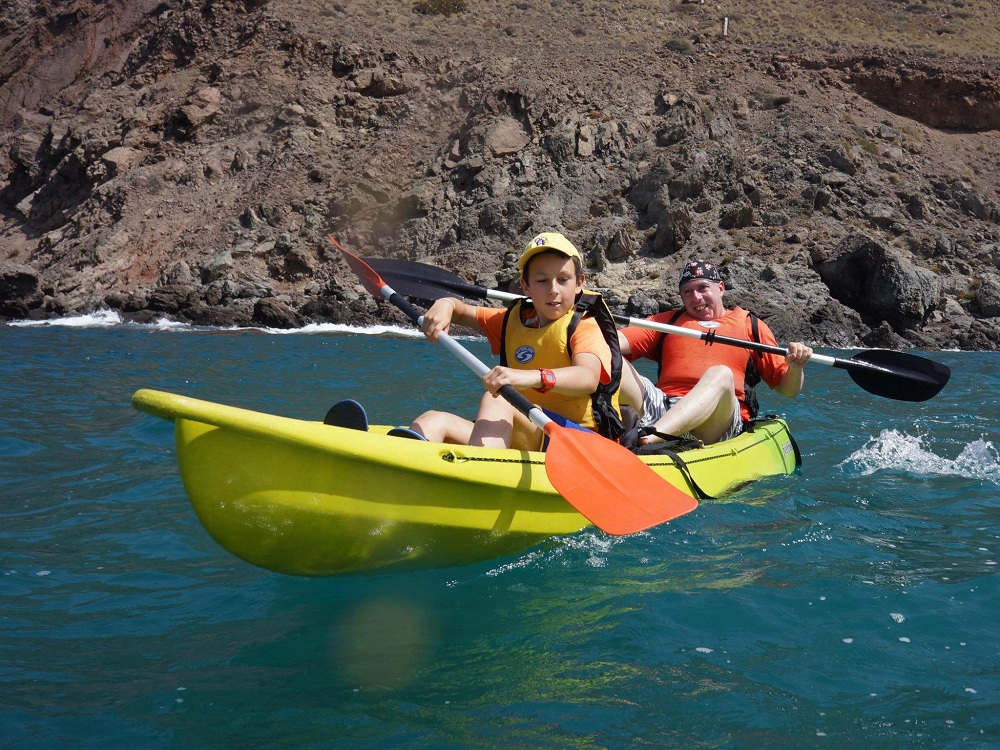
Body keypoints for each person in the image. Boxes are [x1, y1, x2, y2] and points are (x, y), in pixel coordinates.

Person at [409, 232, 622, 450]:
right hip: (532, 431)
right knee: (432, 420)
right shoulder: (513, 320)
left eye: (563, 279)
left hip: (579, 444)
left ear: (579, 283)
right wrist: (448, 303)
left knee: (499, 399)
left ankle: (483, 475)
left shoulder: (584, 326)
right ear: (526, 286)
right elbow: (462, 312)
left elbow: (588, 377)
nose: (553, 290)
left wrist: (532, 377)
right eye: (542, 280)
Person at [618, 259, 813, 446]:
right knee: (607, 354)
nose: (696, 297)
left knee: (721, 373)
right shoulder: (667, 322)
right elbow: (614, 341)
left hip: (715, 422)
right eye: (687, 291)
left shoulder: (750, 325)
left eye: (703, 288)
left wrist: (796, 367)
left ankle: (651, 438)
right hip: (664, 407)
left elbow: (788, 390)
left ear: (720, 288)